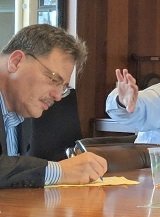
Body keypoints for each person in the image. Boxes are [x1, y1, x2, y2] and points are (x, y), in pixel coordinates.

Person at [0, 24, 107, 188]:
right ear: (16, 62)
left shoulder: (24, 107)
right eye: (54, 80)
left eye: (63, 87)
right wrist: (59, 171)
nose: (57, 96)